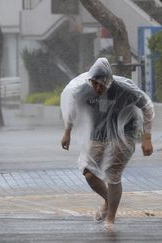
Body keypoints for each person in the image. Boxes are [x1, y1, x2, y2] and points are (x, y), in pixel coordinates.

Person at [60, 57, 154, 231]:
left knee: (112, 174)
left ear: (108, 81)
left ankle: (110, 218)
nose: (96, 88)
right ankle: (108, 200)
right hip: (97, 134)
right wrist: (67, 132)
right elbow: (72, 108)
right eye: (93, 83)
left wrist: (147, 137)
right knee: (88, 173)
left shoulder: (125, 89)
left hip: (124, 135)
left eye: (100, 84)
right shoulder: (83, 90)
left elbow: (147, 106)